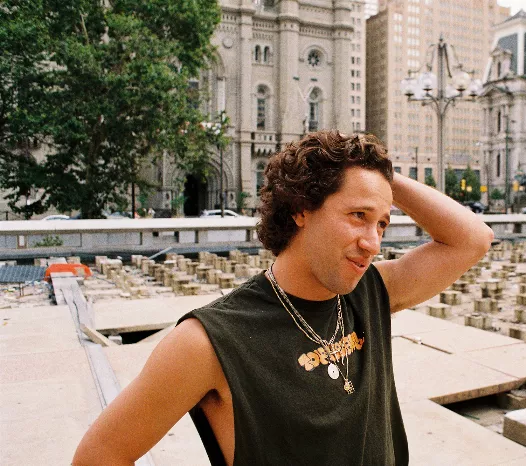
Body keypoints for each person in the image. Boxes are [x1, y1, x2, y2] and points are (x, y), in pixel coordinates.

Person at [72, 130, 494, 465]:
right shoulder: (209, 341)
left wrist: (376, 175)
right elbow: (99, 455)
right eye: (358, 216)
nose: (373, 243)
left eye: (382, 224)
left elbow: (473, 239)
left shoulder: (372, 292)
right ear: (301, 208)